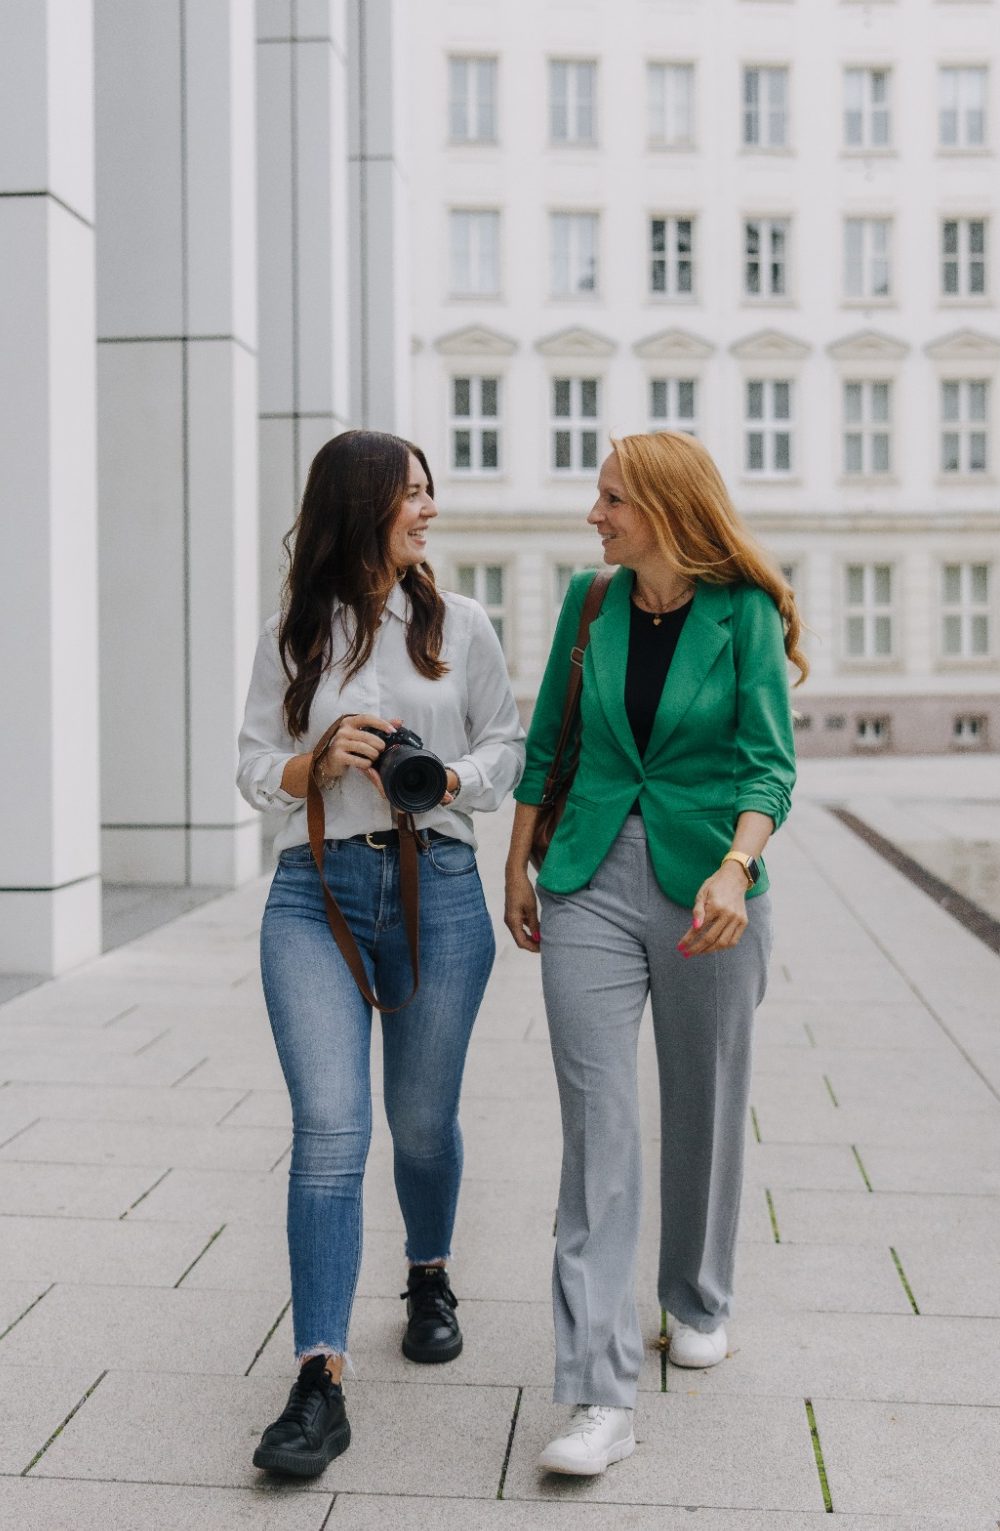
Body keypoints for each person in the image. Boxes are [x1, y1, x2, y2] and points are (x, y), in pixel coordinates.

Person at [504, 430, 804, 1478]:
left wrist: (735, 866)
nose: (594, 514)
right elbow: (549, 742)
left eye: (612, 499)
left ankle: (696, 1298)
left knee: (703, 1101)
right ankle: (599, 1392)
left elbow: (769, 765)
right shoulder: (591, 602)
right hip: (586, 873)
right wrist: (518, 864)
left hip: (708, 887)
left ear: (668, 511)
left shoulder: (743, 611)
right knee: (598, 1125)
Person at [237, 429, 524, 1478]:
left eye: (429, 492)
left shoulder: (463, 624)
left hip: (436, 887)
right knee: (329, 1127)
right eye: (411, 493)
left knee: (420, 1120)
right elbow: (253, 766)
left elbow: (507, 745)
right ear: (360, 505)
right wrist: (315, 762)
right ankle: (318, 1379)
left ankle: (428, 1271)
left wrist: (446, 778)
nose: (428, 509)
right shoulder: (294, 633)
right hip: (312, 893)